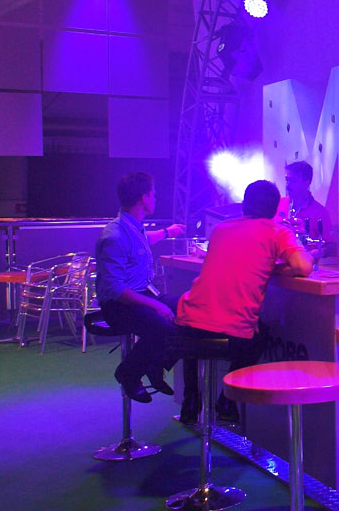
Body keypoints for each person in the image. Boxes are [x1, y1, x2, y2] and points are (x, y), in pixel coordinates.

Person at [173, 179, 311, 423]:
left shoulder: (221, 229)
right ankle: (227, 400)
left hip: (187, 327)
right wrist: (277, 267)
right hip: (233, 338)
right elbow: (304, 267)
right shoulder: (277, 232)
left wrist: (269, 266)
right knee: (260, 337)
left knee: (195, 329)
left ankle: (190, 401)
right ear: (275, 209)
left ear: (244, 205)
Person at [94, 171, 186, 402]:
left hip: (140, 295)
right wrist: (156, 306)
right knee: (164, 329)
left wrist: (168, 231)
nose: (156, 198)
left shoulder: (132, 226)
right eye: (153, 194)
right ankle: (129, 373)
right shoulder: (114, 236)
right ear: (143, 199)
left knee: (189, 307)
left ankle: (156, 364)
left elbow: (144, 239)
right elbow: (116, 290)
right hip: (118, 305)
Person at [278, 160, 331, 244]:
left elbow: (331, 246)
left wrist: (318, 251)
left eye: (293, 181)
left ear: (306, 183)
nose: (288, 185)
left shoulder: (320, 212)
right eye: (287, 180)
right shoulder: (278, 204)